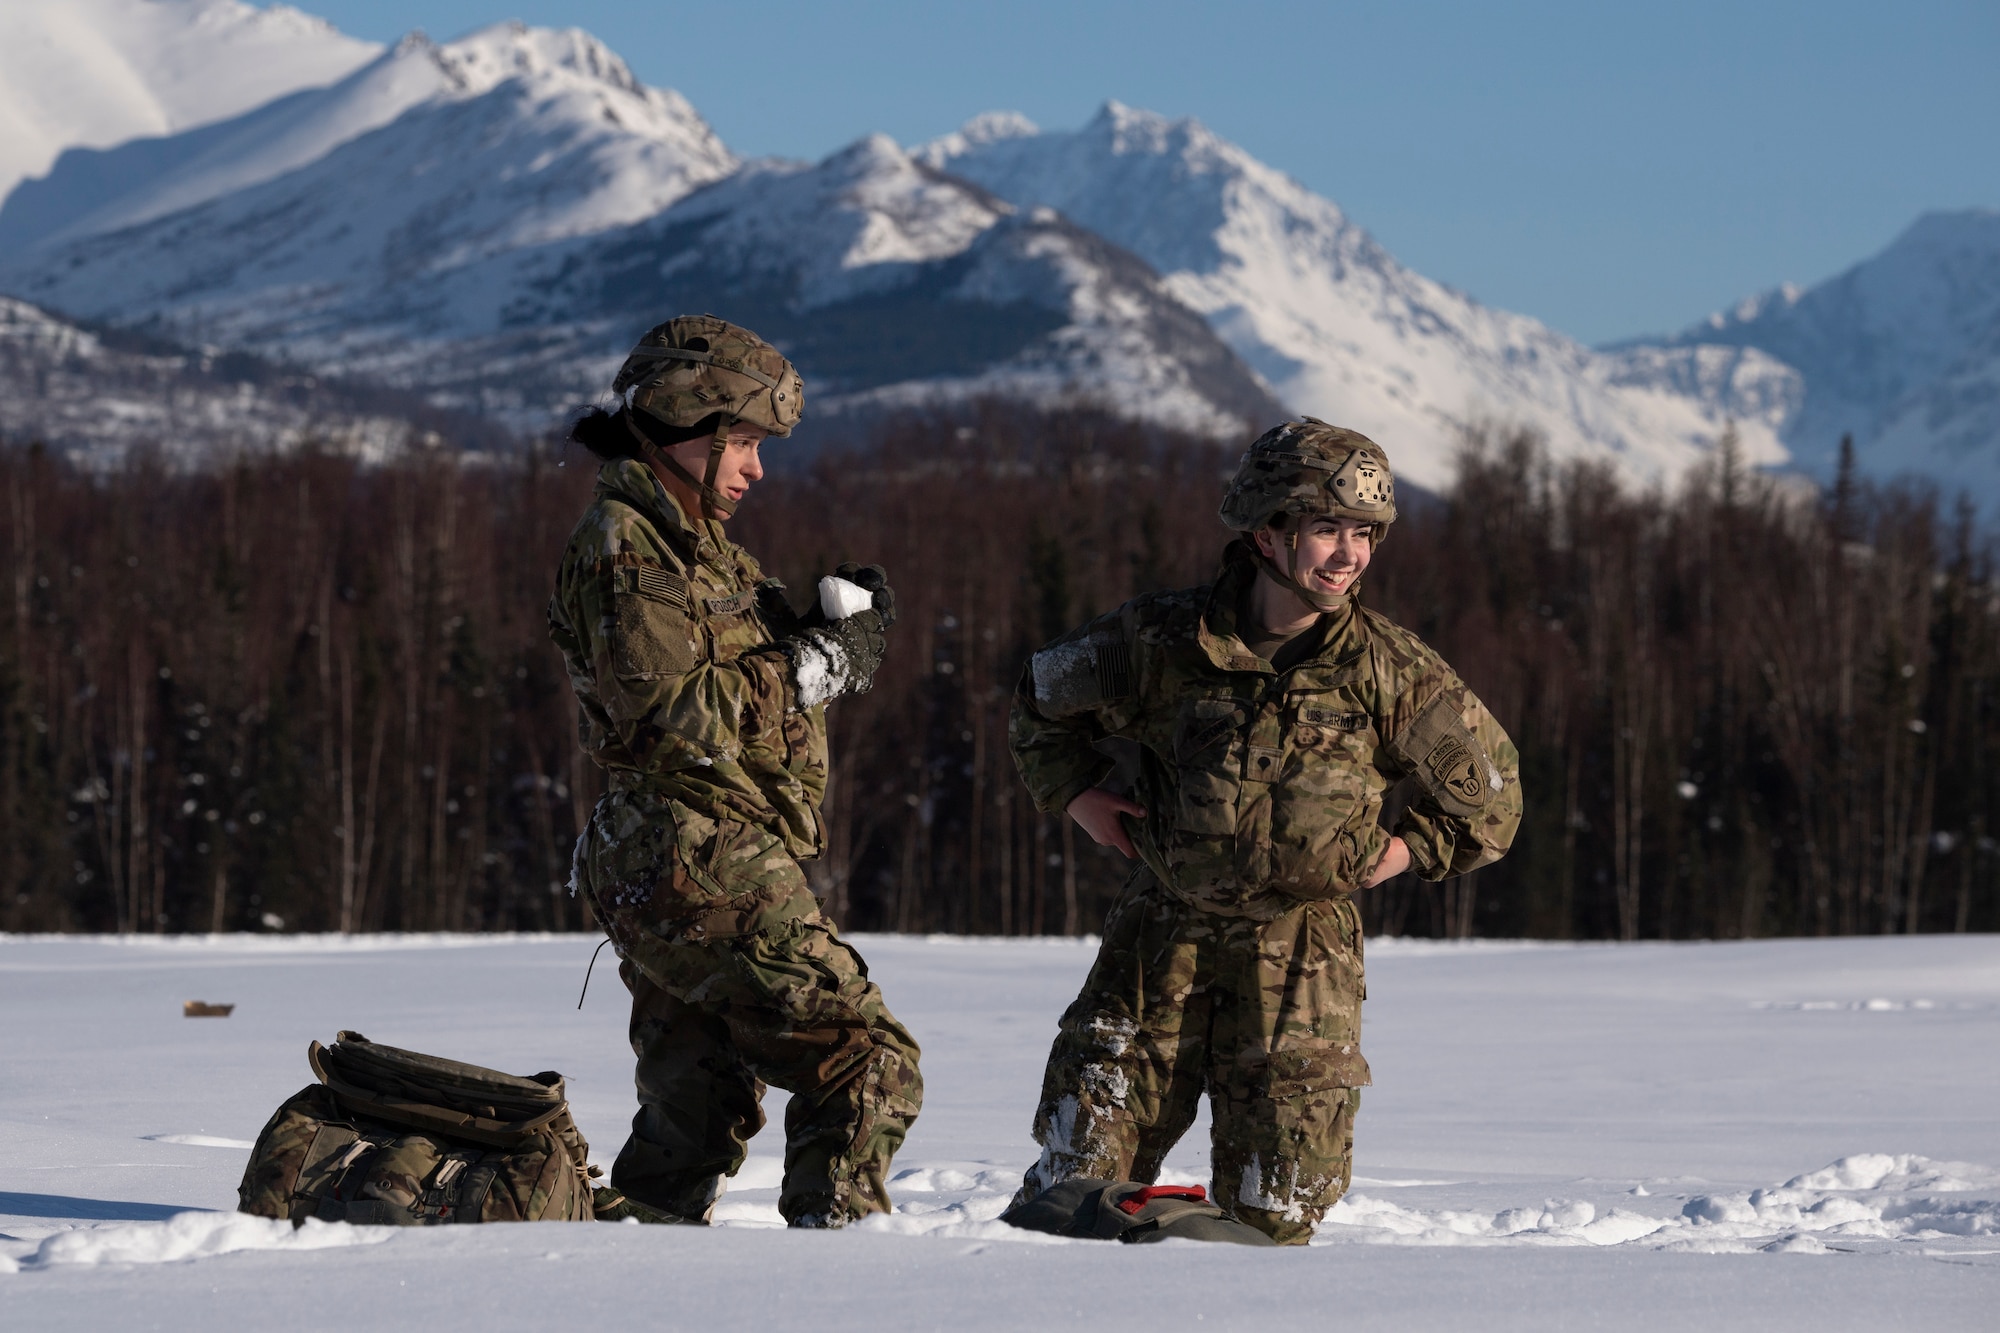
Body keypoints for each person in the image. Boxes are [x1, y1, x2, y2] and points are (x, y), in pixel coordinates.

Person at [1006, 417, 1522, 1244]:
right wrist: (1077, 793)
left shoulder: (1390, 671)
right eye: (1326, 529)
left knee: (1266, 1227)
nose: (1349, 554)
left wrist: (1402, 850)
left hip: (1302, 969)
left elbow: (1491, 796)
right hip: (1158, 945)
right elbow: (1039, 698)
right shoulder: (1161, 640)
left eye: (1364, 534)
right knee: (1074, 1194)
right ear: (1266, 531)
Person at [549, 314, 922, 1228]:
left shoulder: (694, 540)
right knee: (863, 1053)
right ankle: (840, 1279)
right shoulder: (627, 545)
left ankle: (632, 1276)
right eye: (744, 442)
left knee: (694, 1115)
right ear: (688, 423)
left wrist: (820, 637)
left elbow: (727, 685)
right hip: (690, 849)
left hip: (694, 851)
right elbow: (676, 710)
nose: (756, 469)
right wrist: (811, 664)